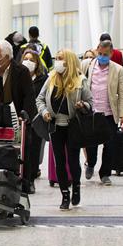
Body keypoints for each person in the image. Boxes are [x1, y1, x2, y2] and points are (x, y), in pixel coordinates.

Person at [36, 49, 92, 210]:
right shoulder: (51, 78)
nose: (57, 62)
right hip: (55, 126)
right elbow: (40, 98)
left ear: (69, 61)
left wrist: (83, 105)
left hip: (72, 125)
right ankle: (65, 194)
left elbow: (90, 102)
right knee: (59, 161)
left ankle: (76, 187)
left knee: (74, 161)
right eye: (57, 58)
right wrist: (45, 111)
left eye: (61, 59)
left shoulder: (80, 80)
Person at [82, 40, 123, 185]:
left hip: (109, 113)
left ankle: (105, 173)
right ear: (96, 50)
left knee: (110, 144)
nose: (102, 57)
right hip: (91, 112)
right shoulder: (87, 65)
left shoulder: (117, 69)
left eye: (105, 54)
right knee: (91, 144)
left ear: (111, 53)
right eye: (100, 53)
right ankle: (91, 163)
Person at [20, 49, 48, 194]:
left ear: (37, 63)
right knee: (23, 150)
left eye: (32, 60)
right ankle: (22, 179)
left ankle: (30, 180)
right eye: (26, 58)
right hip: (22, 119)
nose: (28, 62)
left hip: (37, 119)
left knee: (35, 150)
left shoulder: (43, 79)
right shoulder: (18, 76)